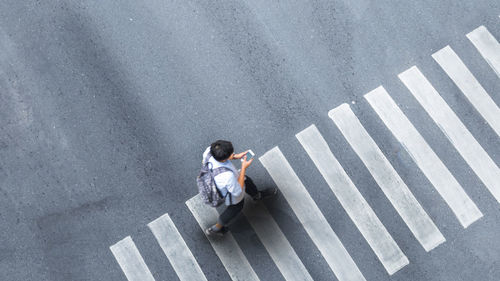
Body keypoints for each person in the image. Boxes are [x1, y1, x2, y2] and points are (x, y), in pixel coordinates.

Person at [203, 140, 276, 236]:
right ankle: (216, 228)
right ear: (224, 159)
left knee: (247, 180)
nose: (233, 153)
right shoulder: (226, 176)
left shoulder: (209, 151)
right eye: (231, 153)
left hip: (218, 180)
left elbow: (221, 159)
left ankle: (256, 195)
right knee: (236, 207)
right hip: (227, 188)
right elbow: (238, 190)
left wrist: (236, 156)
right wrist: (243, 168)